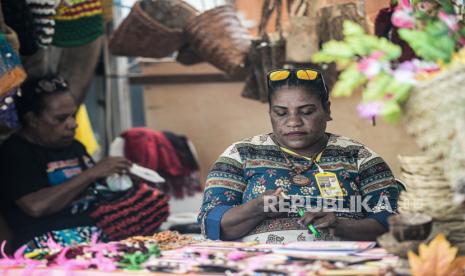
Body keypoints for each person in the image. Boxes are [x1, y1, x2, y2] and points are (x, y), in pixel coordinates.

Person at [198, 68, 400, 243]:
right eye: (281, 113)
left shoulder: (359, 157)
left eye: (306, 111)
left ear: (327, 110)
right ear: (270, 113)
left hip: (342, 265)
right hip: (259, 265)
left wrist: (340, 225)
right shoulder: (241, 155)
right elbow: (212, 223)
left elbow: (392, 223)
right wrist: (257, 208)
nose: (293, 122)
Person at [0, 75, 132, 250]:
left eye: (73, 115)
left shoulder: (74, 146)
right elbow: (36, 206)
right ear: (32, 119)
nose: (73, 124)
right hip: (45, 243)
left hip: (94, 235)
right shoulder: (14, 152)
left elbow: (95, 189)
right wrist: (92, 173)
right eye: (60, 119)